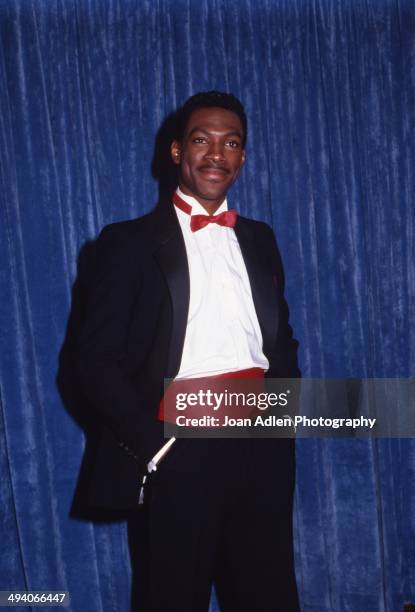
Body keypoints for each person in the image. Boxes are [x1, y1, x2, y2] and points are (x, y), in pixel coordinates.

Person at [76, 91, 300, 611]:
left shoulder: (261, 238)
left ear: (243, 157)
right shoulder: (127, 242)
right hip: (177, 443)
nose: (216, 155)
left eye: (231, 144)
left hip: (261, 441)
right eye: (202, 140)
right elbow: (93, 362)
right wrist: (155, 445)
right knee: (172, 596)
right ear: (177, 151)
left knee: (269, 595)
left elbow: (281, 341)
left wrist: (282, 426)